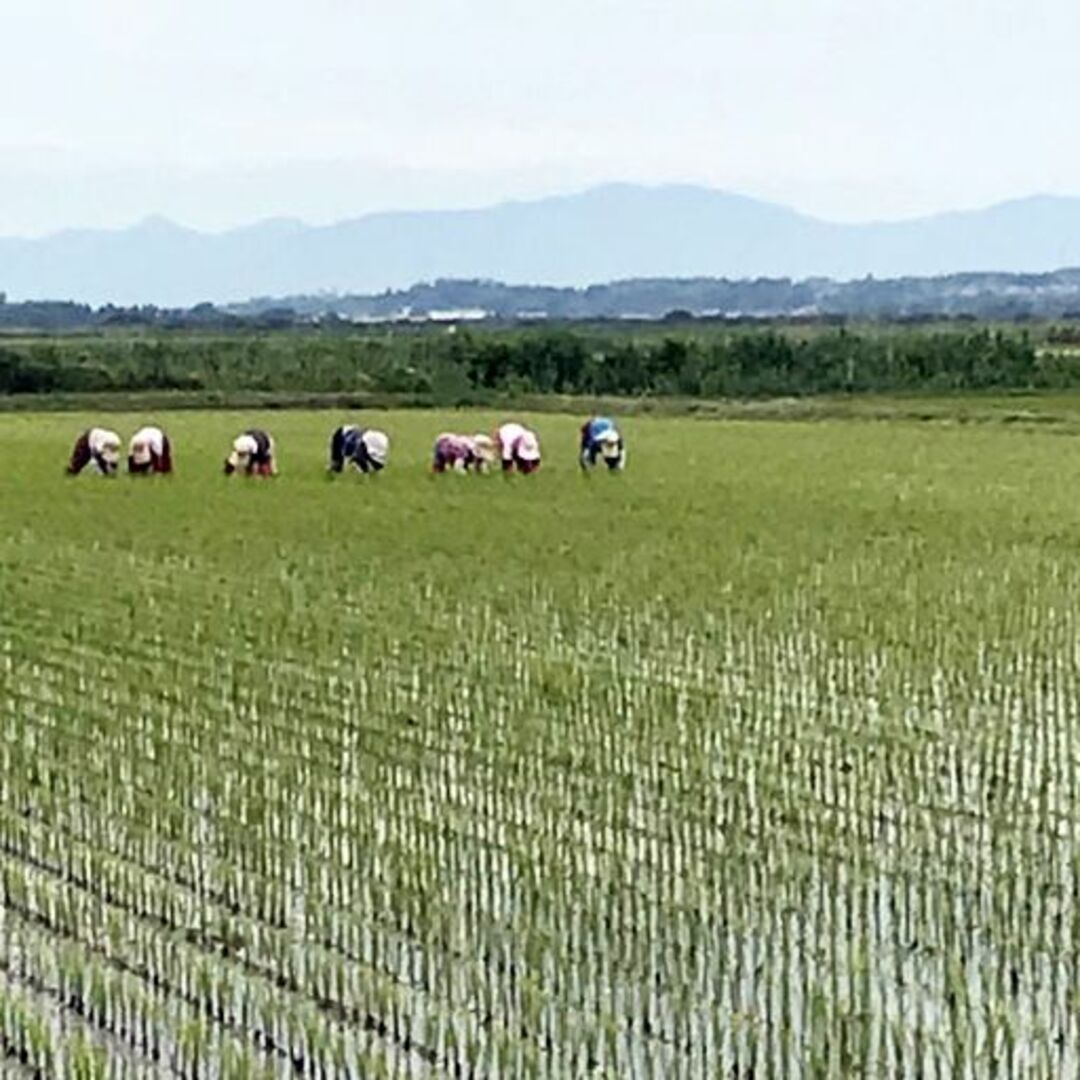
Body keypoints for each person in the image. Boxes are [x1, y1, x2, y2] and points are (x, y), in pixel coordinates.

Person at [432, 432, 496, 473]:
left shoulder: (471, 448)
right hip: (444, 445)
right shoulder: (464, 450)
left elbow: (483, 465)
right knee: (439, 468)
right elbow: (458, 467)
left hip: (449, 442)